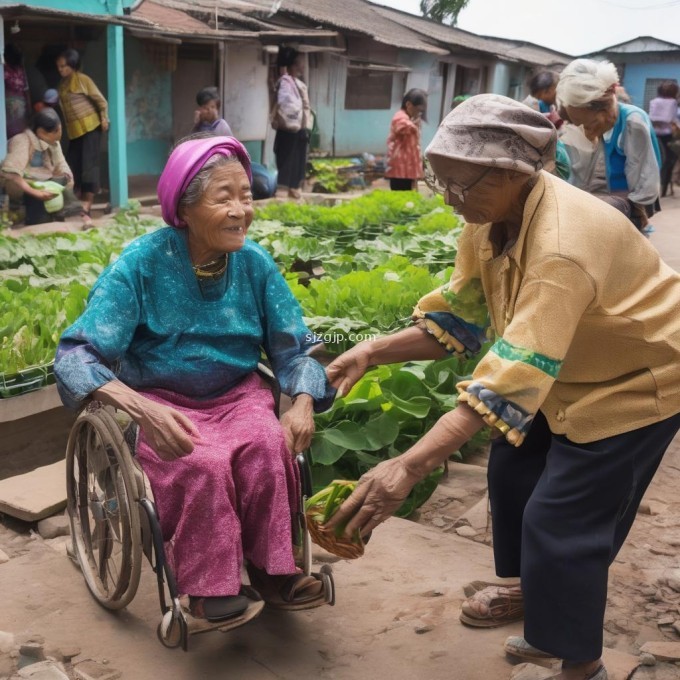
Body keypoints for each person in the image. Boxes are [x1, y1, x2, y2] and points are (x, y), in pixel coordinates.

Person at [325, 94, 680, 680]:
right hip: (565, 366)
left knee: (563, 518)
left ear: (518, 173)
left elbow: (511, 377)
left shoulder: (563, 244)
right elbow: (460, 318)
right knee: (510, 471)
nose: (449, 197)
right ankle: (530, 599)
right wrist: (369, 350)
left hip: (637, 377)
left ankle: (582, 664)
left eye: (462, 185)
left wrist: (407, 467)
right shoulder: (489, 216)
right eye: (443, 182)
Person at [54, 135, 334, 622]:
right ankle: (206, 589)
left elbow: (296, 346)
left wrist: (305, 399)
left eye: (246, 196)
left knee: (268, 444)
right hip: (162, 400)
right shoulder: (139, 265)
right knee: (201, 462)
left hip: (239, 395)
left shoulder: (254, 264)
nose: (240, 210)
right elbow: (77, 354)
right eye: (222, 197)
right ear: (184, 207)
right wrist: (141, 408)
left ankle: (274, 571)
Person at [556, 58, 661, 232]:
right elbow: (580, 179)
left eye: (587, 125)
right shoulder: (601, 126)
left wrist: (634, 216)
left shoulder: (633, 123)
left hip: (630, 210)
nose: (584, 130)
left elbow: (645, 185)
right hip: (612, 201)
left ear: (604, 111)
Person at [0, 108, 86, 226]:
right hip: (20, 184)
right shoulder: (22, 140)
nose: (58, 135)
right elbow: (11, 174)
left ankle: (69, 213)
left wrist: (67, 176)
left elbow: (61, 163)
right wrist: (36, 193)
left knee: (64, 180)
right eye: (56, 131)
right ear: (41, 132)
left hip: (44, 181)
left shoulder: (53, 143)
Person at [56, 48, 108, 218]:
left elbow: (101, 100)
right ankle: (74, 204)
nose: (61, 70)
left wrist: (104, 118)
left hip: (90, 128)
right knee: (71, 166)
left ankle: (87, 205)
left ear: (72, 65)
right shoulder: (62, 85)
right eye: (59, 67)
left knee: (89, 166)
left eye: (64, 66)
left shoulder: (83, 80)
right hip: (74, 132)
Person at [272, 46, 312, 199]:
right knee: (287, 158)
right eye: (301, 62)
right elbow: (286, 105)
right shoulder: (285, 82)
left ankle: (294, 187)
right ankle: (283, 189)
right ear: (294, 65)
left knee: (299, 159)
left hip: (300, 128)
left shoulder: (299, 84)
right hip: (288, 128)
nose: (303, 65)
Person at [385, 88, 428, 191]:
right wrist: (414, 125)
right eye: (417, 110)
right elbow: (403, 126)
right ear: (408, 104)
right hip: (400, 170)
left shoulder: (409, 118)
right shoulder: (400, 117)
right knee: (401, 198)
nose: (418, 113)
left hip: (406, 170)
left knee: (406, 198)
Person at [648, 81, 679, 198]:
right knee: (668, 162)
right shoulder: (673, 102)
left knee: (655, 160)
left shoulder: (654, 101)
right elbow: (669, 118)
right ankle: (664, 189)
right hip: (668, 136)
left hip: (654, 134)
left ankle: (656, 187)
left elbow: (652, 117)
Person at [4, 44, 30, 139]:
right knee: (19, 133)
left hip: (8, 104)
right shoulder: (21, 71)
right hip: (21, 103)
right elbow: (26, 90)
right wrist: (28, 108)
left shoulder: (4, 70)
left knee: (8, 134)